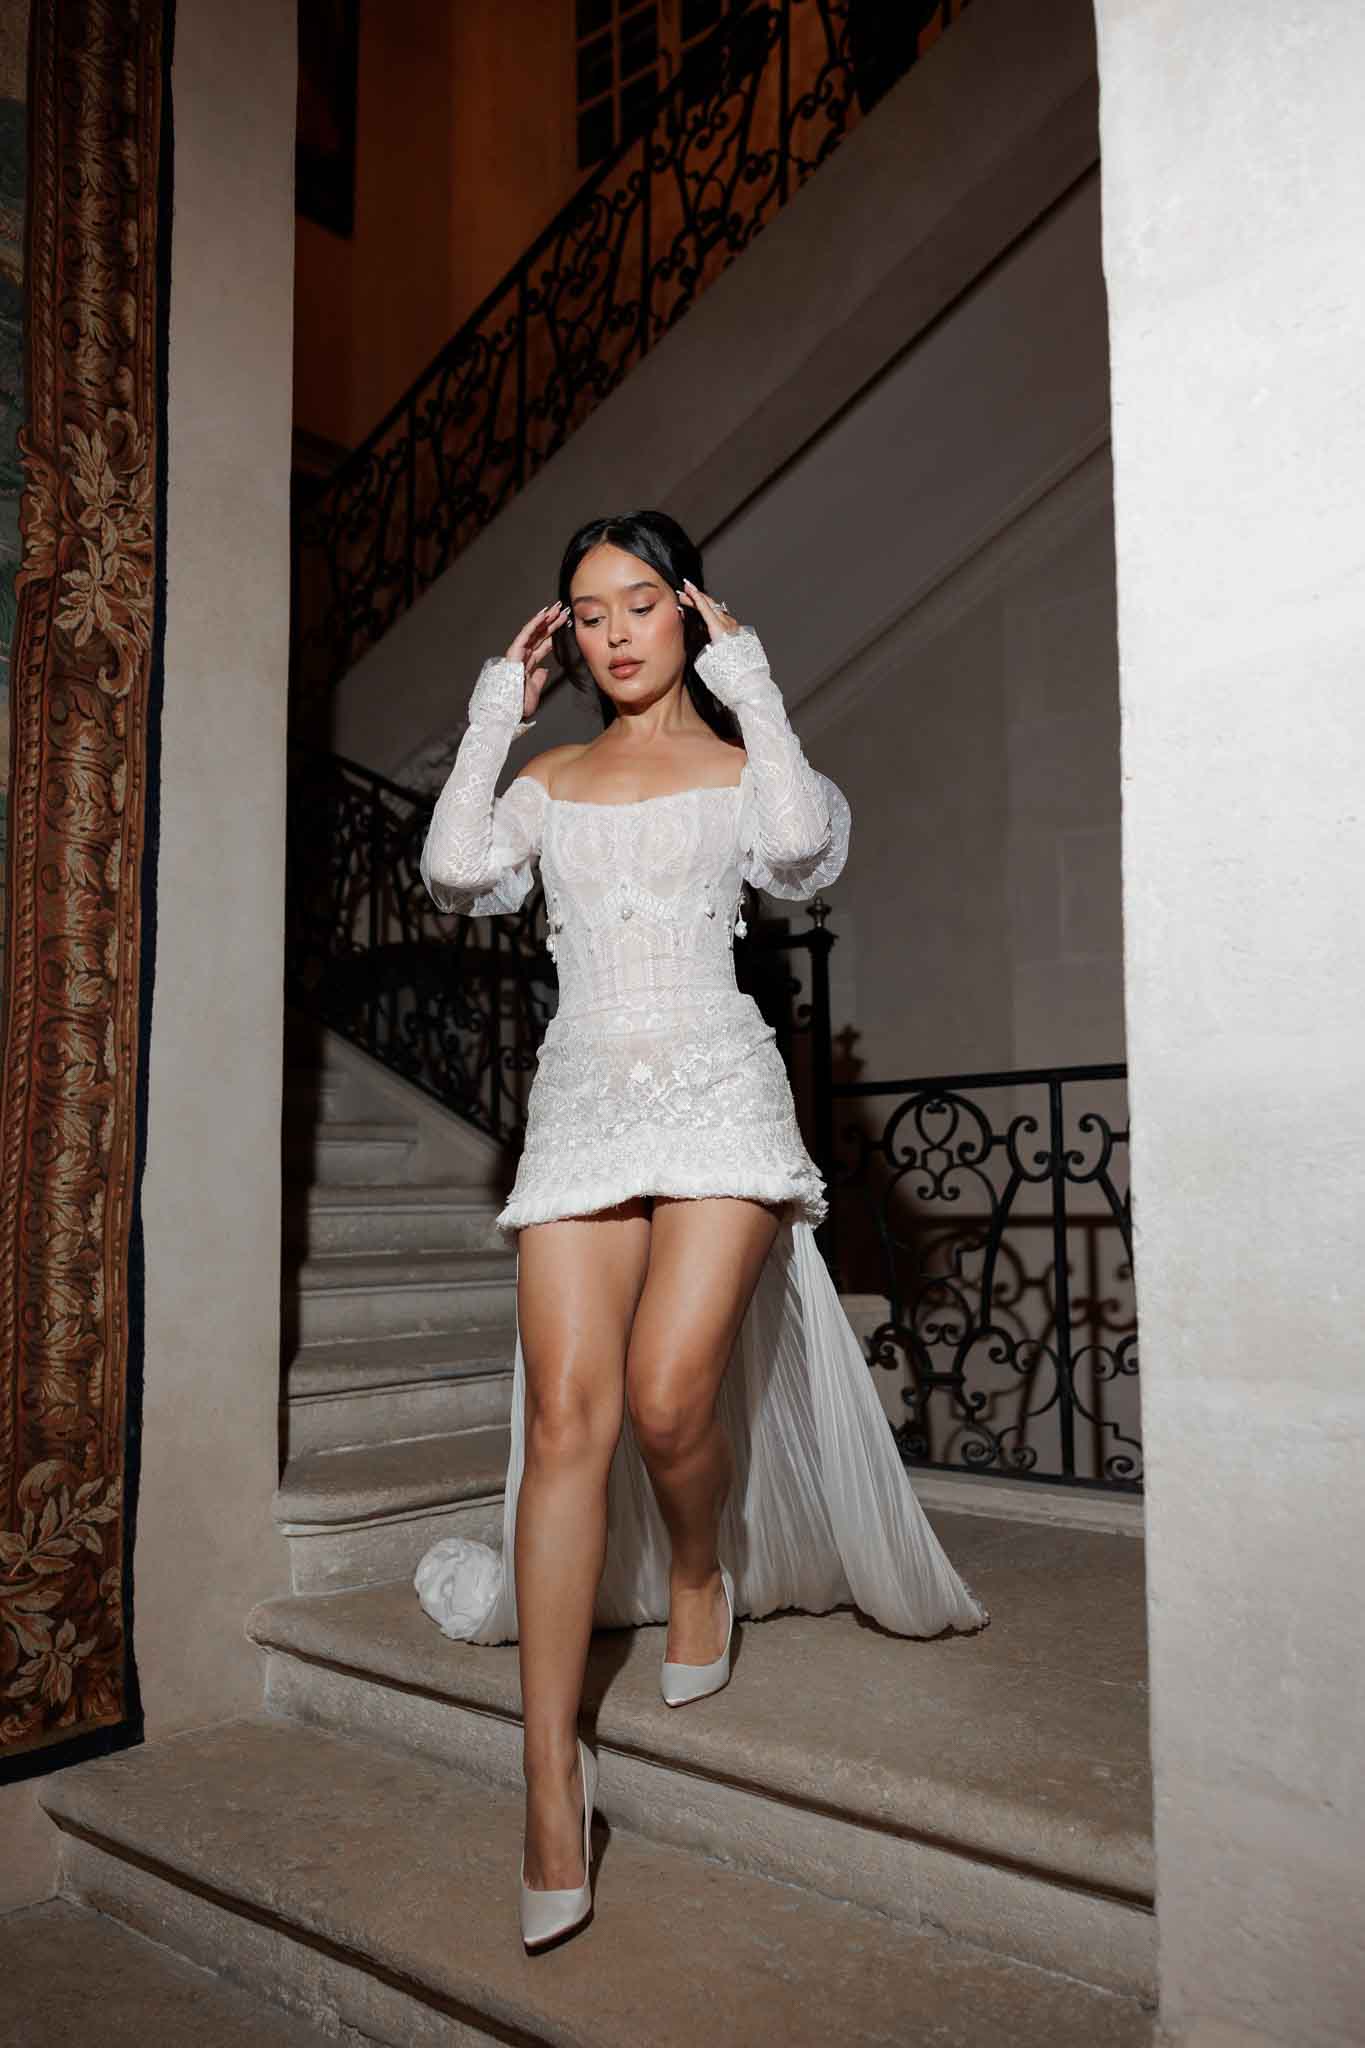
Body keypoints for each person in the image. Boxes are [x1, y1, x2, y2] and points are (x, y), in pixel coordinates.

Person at [413, 509, 986, 1952]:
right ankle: (550, 1775)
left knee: (672, 1398)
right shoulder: (545, 781)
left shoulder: (742, 772)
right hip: (586, 1098)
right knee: (565, 1425)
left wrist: (759, 689)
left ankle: (692, 1568)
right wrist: (494, 707)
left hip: (719, 1092)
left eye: (640, 603)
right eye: (585, 611)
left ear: (690, 614)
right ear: (564, 635)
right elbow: (453, 871)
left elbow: (799, 854)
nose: (612, 631)